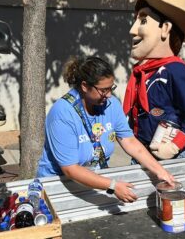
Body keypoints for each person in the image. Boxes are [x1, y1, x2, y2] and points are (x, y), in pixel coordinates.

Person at [37, 56, 174, 203]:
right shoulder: (62, 113)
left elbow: (130, 141)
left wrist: (160, 170)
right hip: (58, 187)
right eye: (103, 90)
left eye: (111, 88)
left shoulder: (111, 105)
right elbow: (71, 169)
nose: (109, 95)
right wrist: (112, 186)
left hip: (95, 181)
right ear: (84, 86)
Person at [123, 0, 185, 161]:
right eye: (135, 20)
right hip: (142, 152)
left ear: (165, 29)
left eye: (143, 20)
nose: (132, 30)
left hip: (170, 158)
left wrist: (174, 146)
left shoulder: (176, 71)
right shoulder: (144, 72)